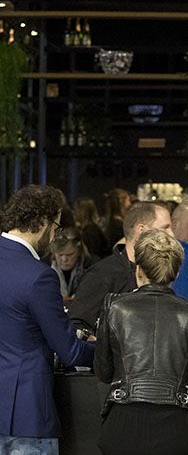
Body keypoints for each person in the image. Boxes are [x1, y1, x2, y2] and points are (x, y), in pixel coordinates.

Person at [95, 229, 188, 455]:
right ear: (176, 272)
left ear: (138, 269)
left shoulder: (114, 307)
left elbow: (104, 373)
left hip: (123, 427)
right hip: (177, 429)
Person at [0, 185, 95, 455]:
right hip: (27, 416)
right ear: (42, 223)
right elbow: (69, 351)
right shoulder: (39, 276)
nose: (55, 235)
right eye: (56, 226)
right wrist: (108, 350)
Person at [70, 201, 172, 334]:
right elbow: (77, 324)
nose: (172, 235)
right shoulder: (102, 275)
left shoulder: (163, 270)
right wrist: (103, 343)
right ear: (141, 230)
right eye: (165, 228)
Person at [50, 227, 96, 299]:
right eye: (60, 255)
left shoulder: (92, 266)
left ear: (79, 251)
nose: (64, 259)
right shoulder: (45, 266)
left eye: (70, 255)